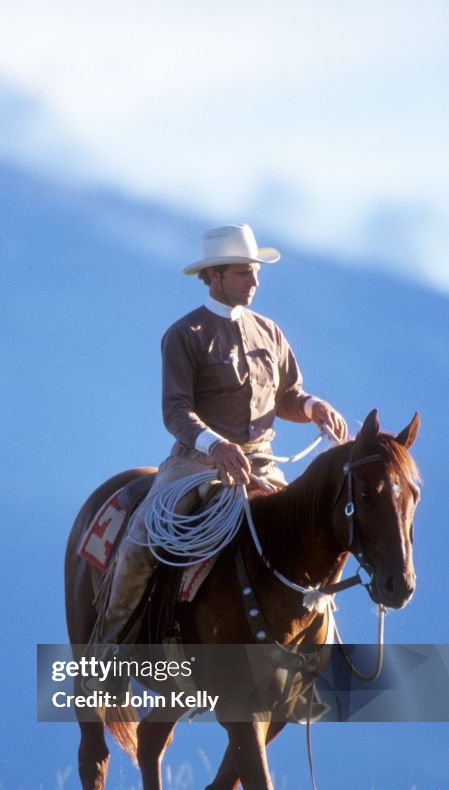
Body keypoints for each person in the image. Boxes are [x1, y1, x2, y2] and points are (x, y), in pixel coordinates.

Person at [98, 223, 348, 645]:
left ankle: (318, 660)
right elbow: (176, 410)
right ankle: (107, 653)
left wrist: (311, 407)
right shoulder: (184, 335)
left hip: (262, 464)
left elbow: (287, 394)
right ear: (214, 276)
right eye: (243, 272)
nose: (254, 281)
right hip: (195, 465)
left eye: (255, 271)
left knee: (313, 538)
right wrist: (216, 446)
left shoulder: (270, 332)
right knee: (140, 543)